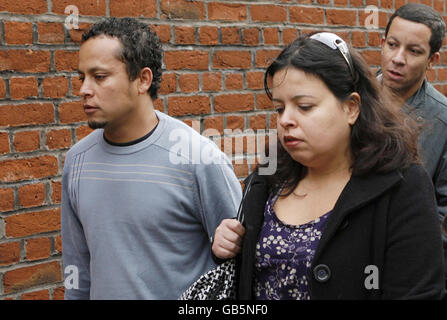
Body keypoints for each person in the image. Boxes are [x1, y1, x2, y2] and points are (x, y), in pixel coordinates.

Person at [212, 32, 445, 299]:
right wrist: (226, 246)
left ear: (351, 108)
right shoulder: (268, 177)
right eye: (279, 108)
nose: (286, 119)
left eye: (305, 106)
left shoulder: (402, 186)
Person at [61, 17, 242, 299]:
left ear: (142, 80)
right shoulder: (77, 161)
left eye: (99, 77)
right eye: (81, 77)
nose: (84, 89)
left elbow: (239, 267)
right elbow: (77, 268)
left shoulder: (199, 158)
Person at [379, 3, 447, 287]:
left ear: (433, 59)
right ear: (382, 43)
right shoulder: (349, 101)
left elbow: (442, 211)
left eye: (414, 51)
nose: (398, 58)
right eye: (392, 45)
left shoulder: (442, 120)